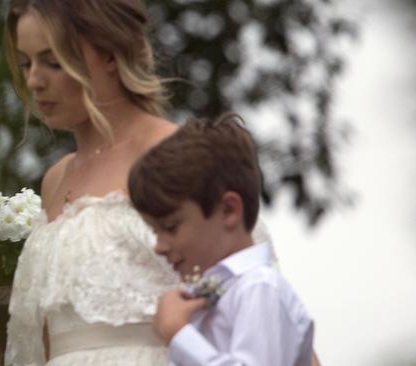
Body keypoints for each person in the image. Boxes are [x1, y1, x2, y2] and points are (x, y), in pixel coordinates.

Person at [2, 1, 271, 365]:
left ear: (110, 54)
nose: (34, 80)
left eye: (53, 61)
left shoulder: (181, 155)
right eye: (25, 63)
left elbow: (263, 311)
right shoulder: (54, 180)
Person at [128, 114, 315, 366]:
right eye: (154, 231)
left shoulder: (259, 287)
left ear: (228, 210)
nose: (159, 246)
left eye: (171, 227)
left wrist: (179, 335)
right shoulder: (205, 297)